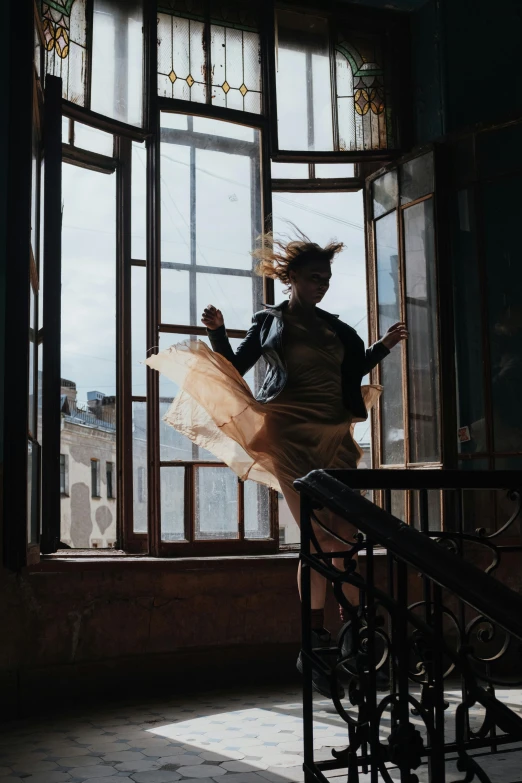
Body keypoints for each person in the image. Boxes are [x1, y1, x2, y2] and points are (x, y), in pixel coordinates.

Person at [146, 232, 406, 697]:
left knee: (345, 538)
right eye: (313, 278)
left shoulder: (337, 328)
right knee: (319, 537)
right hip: (288, 437)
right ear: (290, 279)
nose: (322, 286)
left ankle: (350, 633)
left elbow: (351, 372)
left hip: (336, 440)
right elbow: (234, 367)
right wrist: (217, 334)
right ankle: (319, 637)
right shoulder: (270, 323)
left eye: (326, 279)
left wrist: (383, 347)